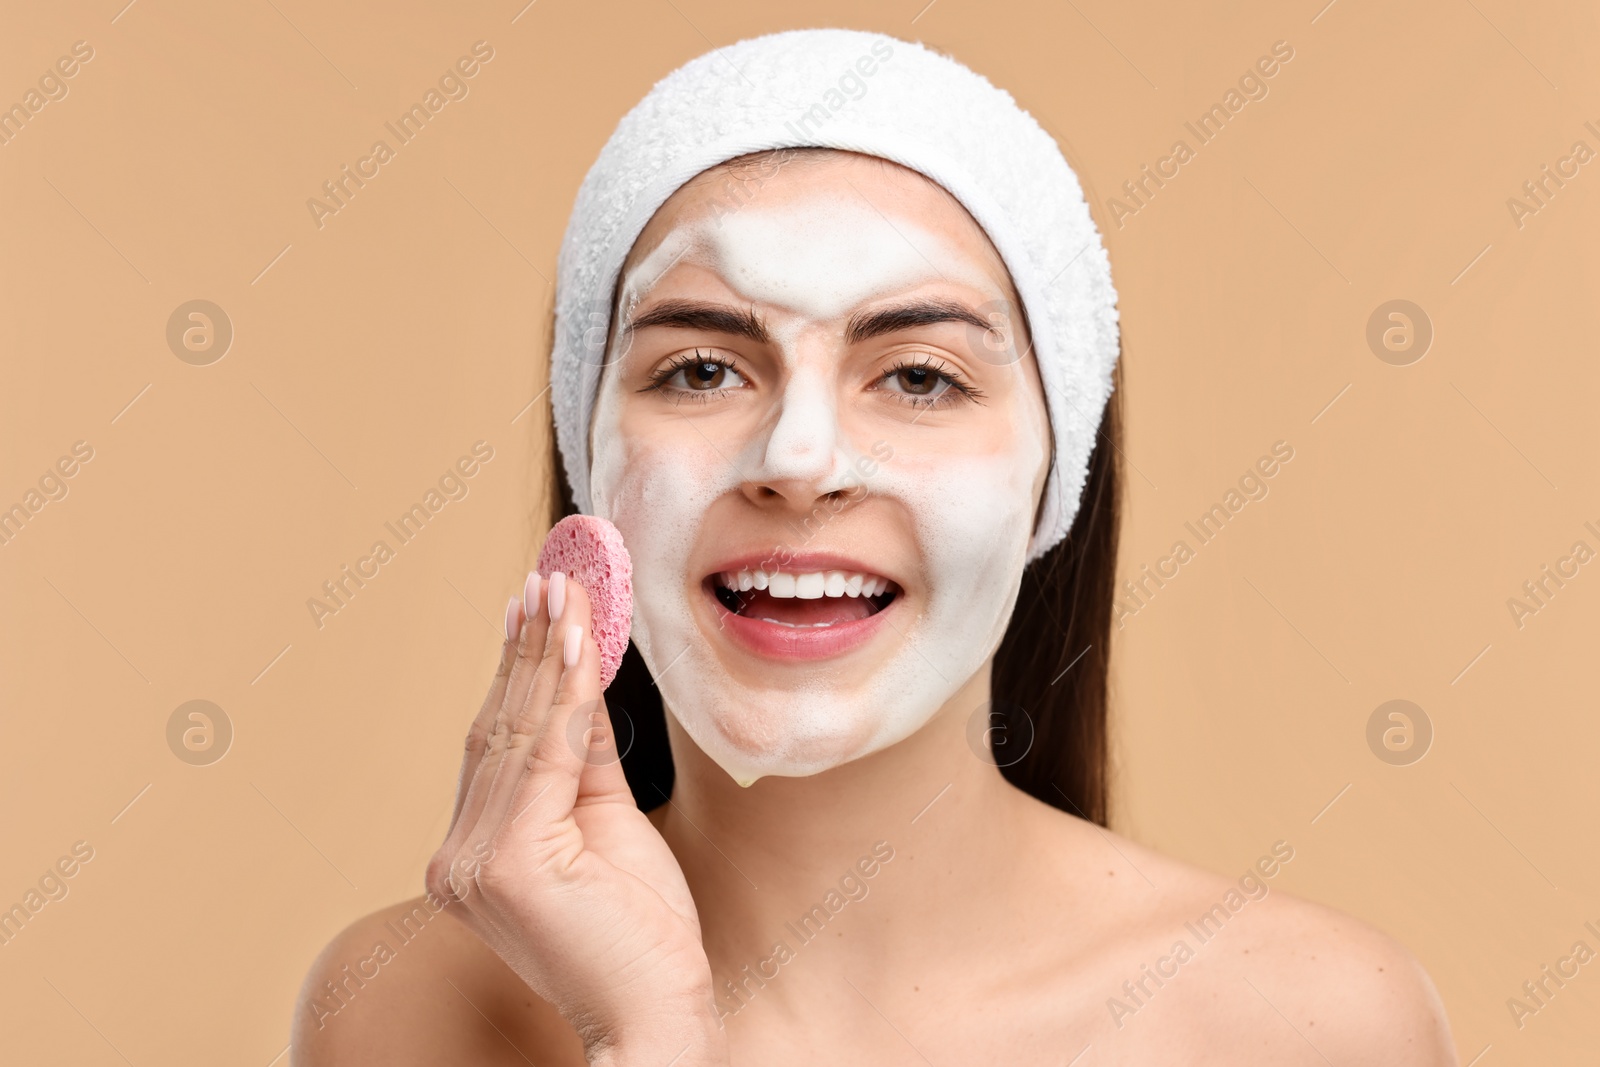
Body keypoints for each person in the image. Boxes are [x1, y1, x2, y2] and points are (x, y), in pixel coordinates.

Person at [293, 29, 1456, 1065]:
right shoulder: (404, 1009)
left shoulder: (1303, 1023)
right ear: (587, 457)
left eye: (918, 375)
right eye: (700, 368)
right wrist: (647, 1035)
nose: (798, 459)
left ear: (1055, 474)